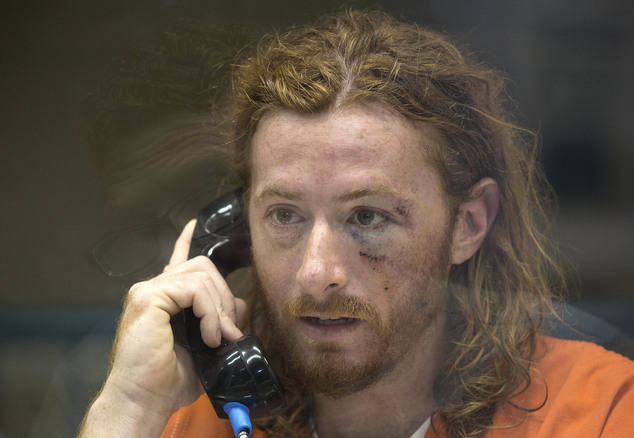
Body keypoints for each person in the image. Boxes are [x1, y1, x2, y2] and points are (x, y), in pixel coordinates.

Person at [78, 10, 634, 438]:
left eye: (367, 217)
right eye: (284, 216)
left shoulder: (597, 411)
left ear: (468, 223)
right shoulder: (200, 419)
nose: (317, 275)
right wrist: (128, 407)